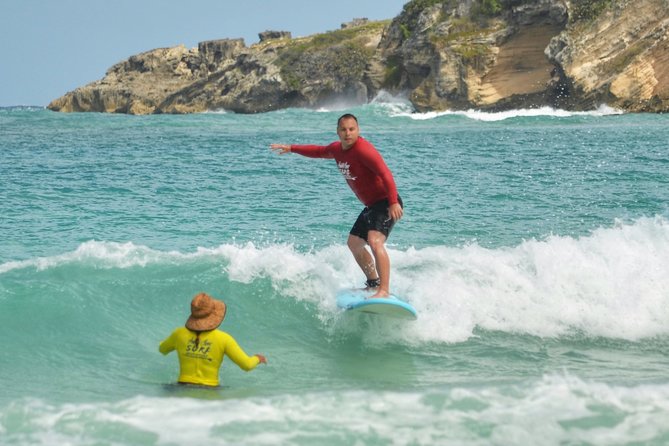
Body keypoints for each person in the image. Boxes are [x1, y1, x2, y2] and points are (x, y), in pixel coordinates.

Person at [270, 113, 403, 298]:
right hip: (371, 205)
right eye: (343, 129)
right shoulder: (337, 149)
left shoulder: (364, 150)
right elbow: (317, 151)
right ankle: (374, 283)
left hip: (385, 201)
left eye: (352, 129)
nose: (348, 133)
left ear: (358, 130)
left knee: (374, 241)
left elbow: (385, 173)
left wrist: (394, 202)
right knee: (354, 243)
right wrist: (292, 148)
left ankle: (384, 291)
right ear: (338, 132)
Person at [159, 292, 267, 387]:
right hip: (209, 390)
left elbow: (162, 349)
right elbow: (247, 365)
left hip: (181, 388)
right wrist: (257, 358)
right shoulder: (224, 338)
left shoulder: (179, 334)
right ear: (213, 314)